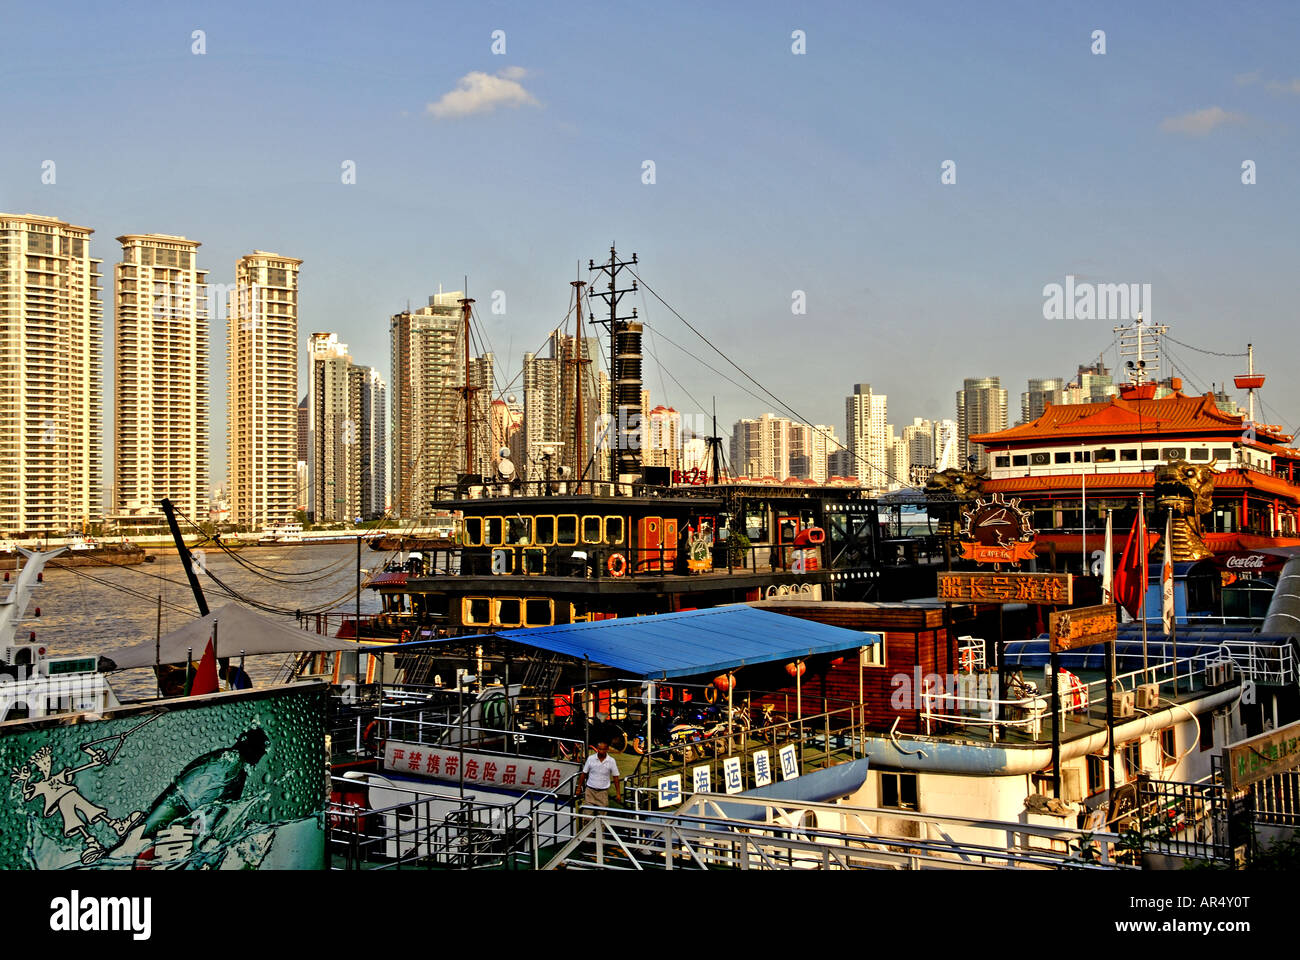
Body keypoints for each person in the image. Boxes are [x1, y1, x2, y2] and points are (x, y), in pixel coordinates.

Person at [577, 741, 623, 811]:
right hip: (590, 791)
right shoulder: (590, 758)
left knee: (602, 816)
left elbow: (616, 777)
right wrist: (579, 788)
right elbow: (584, 773)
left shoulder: (611, 761)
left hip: (603, 793)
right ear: (597, 749)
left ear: (607, 749)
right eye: (599, 749)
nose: (601, 751)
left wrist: (618, 794)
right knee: (588, 816)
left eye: (603, 749)